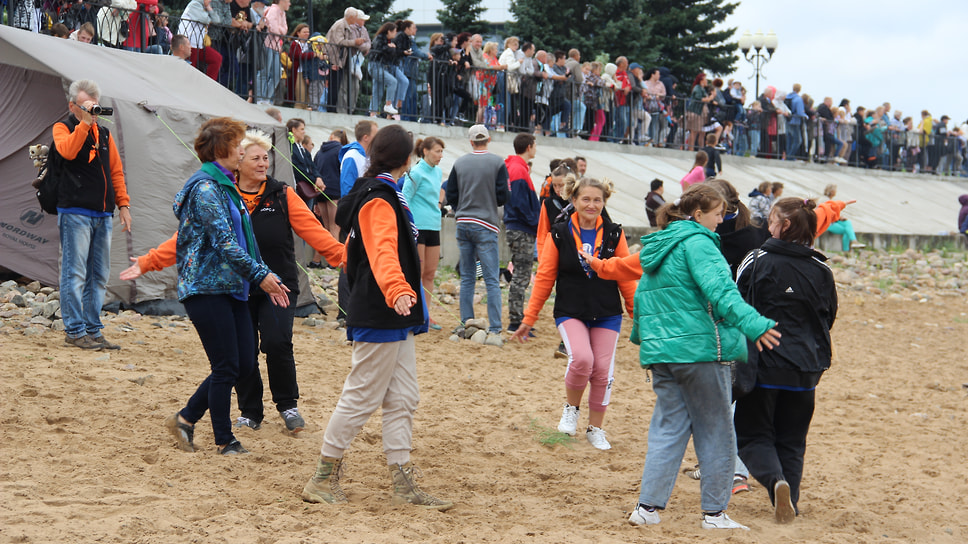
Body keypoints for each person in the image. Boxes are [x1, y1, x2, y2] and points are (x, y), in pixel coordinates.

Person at [583, 184, 780, 530]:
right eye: (719, 214)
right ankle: (715, 514)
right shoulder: (700, 244)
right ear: (699, 214)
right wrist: (755, 324)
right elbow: (722, 293)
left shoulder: (659, 244)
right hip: (700, 352)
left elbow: (634, 282)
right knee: (718, 430)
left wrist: (600, 269)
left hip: (663, 354)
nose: (723, 220)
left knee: (668, 429)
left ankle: (646, 509)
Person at [123, 129, 343, 434]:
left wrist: (346, 258)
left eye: (266, 157)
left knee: (277, 342)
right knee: (244, 352)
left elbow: (315, 234)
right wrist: (148, 262)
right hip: (238, 285)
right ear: (238, 162)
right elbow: (185, 238)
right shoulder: (222, 194)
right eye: (255, 157)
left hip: (278, 284)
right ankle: (250, 410)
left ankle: (287, 405)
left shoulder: (282, 195)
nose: (263, 163)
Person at [301, 125, 452, 511]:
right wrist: (399, 290)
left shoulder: (380, 193)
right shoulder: (379, 199)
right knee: (362, 394)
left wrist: (399, 292)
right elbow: (383, 251)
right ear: (408, 159)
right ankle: (322, 477)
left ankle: (401, 480)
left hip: (391, 310)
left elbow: (362, 252)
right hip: (382, 308)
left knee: (404, 397)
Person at [160, 117, 290, 456]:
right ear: (222, 151)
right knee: (227, 366)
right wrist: (262, 275)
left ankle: (186, 418)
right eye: (237, 146)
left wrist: (260, 274)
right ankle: (224, 439)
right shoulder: (205, 189)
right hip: (206, 287)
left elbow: (242, 243)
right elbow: (226, 243)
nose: (242, 151)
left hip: (232, 286)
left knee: (243, 362)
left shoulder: (223, 186)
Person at [512, 177, 636, 450]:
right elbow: (544, 279)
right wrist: (528, 319)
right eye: (586, 199)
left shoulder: (615, 233)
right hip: (570, 311)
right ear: (574, 200)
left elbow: (626, 276)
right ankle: (571, 408)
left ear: (604, 202)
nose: (592, 205)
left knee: (602, 370)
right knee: (582, 359)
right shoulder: (558, 233)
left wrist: (635, 311)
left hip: (607, 312)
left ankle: (596, 429)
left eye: (597, 200)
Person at [734, 197, 837, 524]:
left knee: (751, 435)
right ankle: (788, 498)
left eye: (772, 219)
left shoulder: (757, 259)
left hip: (763, 365)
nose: (767, 223)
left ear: (785, 225)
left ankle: (775, 481)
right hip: (805, 366)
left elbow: (737, 306)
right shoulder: (821, 267)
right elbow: (828, 315)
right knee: (792, 440)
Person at [53, 80, 133, 351]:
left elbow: (116, 172)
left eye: (95, 107)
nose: (93, 112)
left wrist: (123, 204)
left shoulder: (105, 134)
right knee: (74, 273)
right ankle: (74, 331)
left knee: (98, 274)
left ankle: (92, 329)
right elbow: (68, 151)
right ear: (72, 105)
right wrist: (85, 123)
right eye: (87, 107)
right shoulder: (63, 128)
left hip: (102, 213)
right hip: (74, 211)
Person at [445, 125, 509, 339]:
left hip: (463, 222)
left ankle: (466, 322)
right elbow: (503, 196)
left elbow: (451, 194)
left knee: (468, 277)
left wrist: (461, 207)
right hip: (486, 223)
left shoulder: (460, 163)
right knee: (491, 278)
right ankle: (495, 327)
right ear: (488, 139)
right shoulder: (498, 162)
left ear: (471, 141)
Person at [401, 136, 446, 330]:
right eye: (437, 151)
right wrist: (408, 224)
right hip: (417, 226)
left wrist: (438, 206)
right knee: (416, 272)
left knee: (430, 272)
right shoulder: (416, 172)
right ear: (425, 151)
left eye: (442, 151)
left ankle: (427, 313)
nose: (440, 155)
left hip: (434, 225)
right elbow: (405, 197)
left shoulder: (438, 172)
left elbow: (437, 197)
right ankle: (415, 312)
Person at [504, 133, 539, 333]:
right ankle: (515, 320)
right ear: (529, 147)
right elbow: (519, 202)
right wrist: (535, 222)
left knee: (521, 272)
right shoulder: (518, 169)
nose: (536, 149)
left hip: (518, 226)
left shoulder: (514, 166)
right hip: (521, 227)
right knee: (521, 274)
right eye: (535, 145)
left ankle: (517, 318)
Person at [326, 7, 371, 115]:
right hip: (335, 58)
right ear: (351, 17)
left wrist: (357, 43)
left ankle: (333, 108)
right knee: (335, 85)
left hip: (341, 59)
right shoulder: (340, 25)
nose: (356, 20)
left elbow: (367, 42)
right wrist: (355, 42)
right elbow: (339, 41)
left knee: (337, 85)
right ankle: (331, 109)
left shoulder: (346, 25)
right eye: (355, 17)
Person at [312, 129, 349, 242]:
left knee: (326, 228)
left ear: (332, 136)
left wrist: (315, 201)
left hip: (321, 192)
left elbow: (314, 171)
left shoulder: (319, 152)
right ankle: (335, 259)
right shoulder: (341, 150)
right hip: (336, 192)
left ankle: (322, 259)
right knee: (335, 228)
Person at [368, 22, 408, 117]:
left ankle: (372, 113)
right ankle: (388, 104)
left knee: (378, 90)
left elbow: (389, 52)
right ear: (389, 31)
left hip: (380, 66)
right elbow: (380, 49)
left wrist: (392, 48)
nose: (395, 34)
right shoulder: (380, 38)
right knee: (392, 82)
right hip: (375, 66)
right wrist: (391, 48)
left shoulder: (387, 40)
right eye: (394, 32)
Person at [254, 0, 289, 103]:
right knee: (264, 72)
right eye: (288, 1)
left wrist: (280, 30)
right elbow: (273, 29)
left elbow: (285, 30)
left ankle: (266, 98)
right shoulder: (273, 10)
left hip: (276, 47)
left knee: (277, 74)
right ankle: (259, 98)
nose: (289, 4)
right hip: (267, 44)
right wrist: (280, 30)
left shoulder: (282, 13)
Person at [287, 118, 324, 206]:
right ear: (294, 130)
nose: (304, 132)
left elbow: (312, 165)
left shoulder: (302, 149)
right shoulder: (289, 147)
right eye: (302, 129)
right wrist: (315, 180)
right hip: (298, 188)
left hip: (308, 188)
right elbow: (298, 169)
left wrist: (318, 177)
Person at [819, 184, 864, 251]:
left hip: (833, 221)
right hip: (827, 223)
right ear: (832, 191)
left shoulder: (830, 200)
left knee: (848, 223)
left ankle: (853, 242)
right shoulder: (825, 200)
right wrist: (839, 217)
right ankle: (848, 247)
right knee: (847, 230)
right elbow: (828, 214)